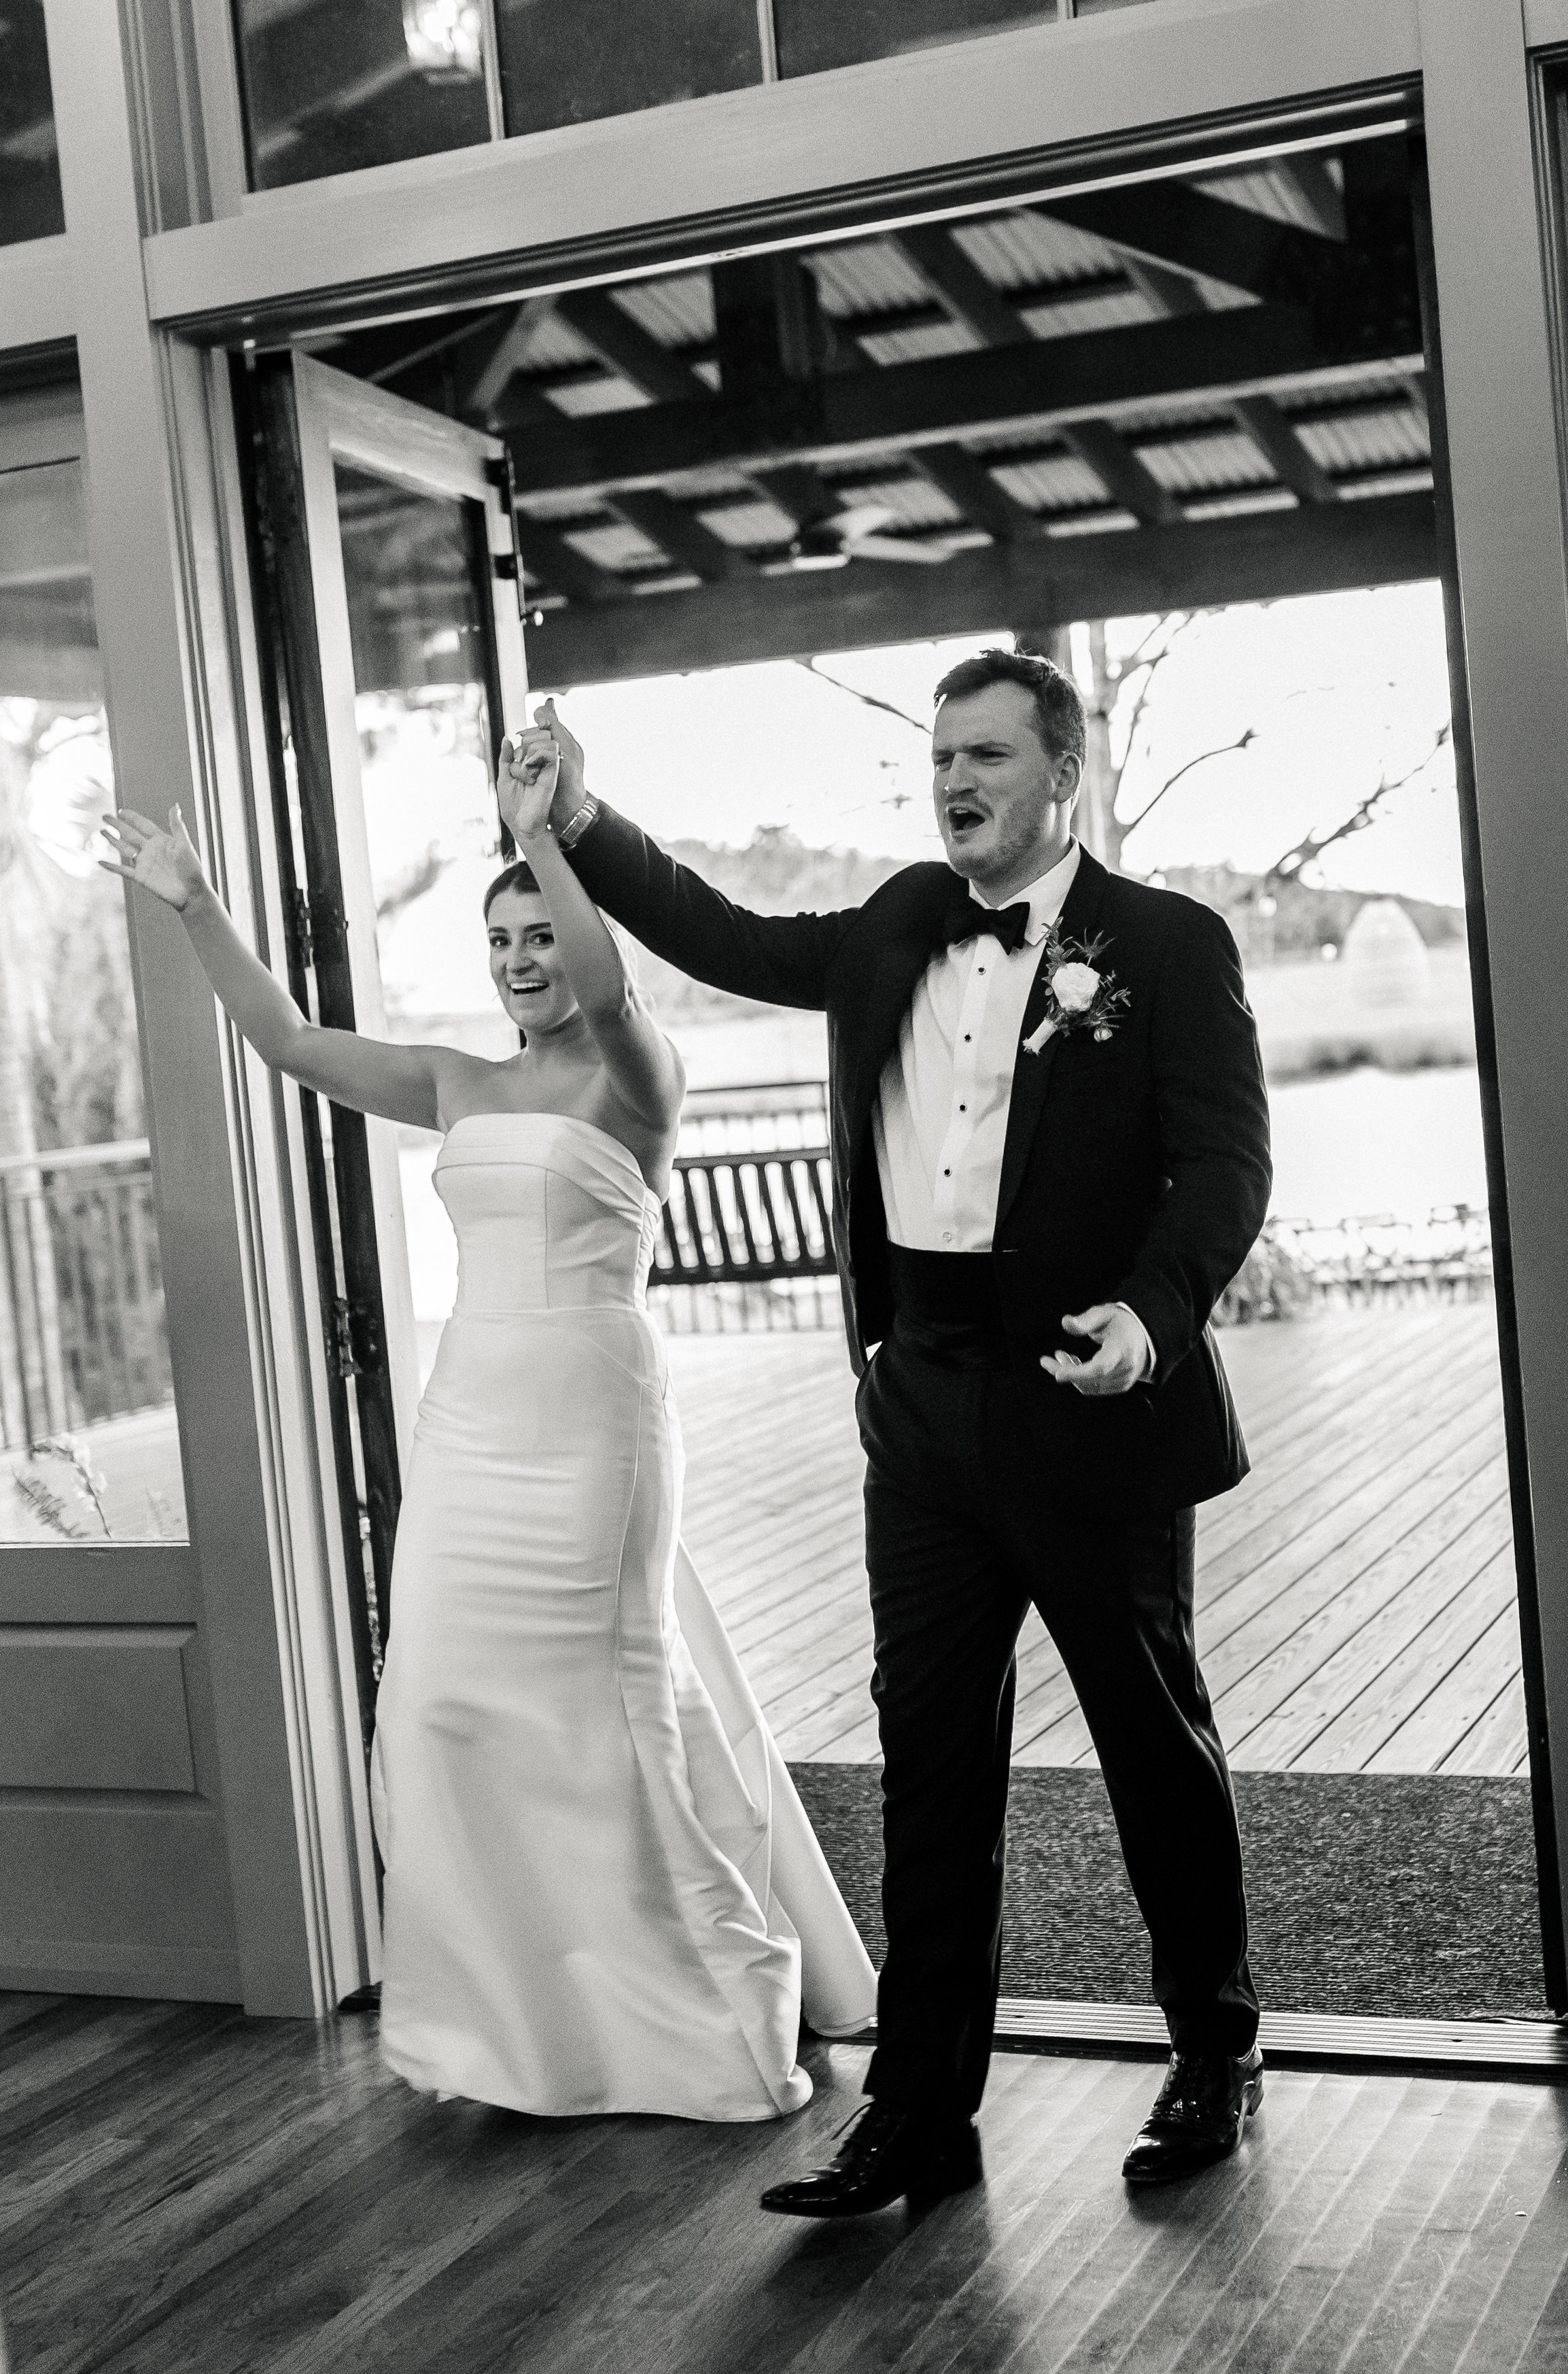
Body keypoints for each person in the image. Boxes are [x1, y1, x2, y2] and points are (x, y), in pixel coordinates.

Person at [515, 648, 1272, 2209]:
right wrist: (578, 817)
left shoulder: (1165, 943)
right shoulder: (890, 931)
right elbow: (716, 931)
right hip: (919, 1409)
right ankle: (919, 2111)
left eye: (988, 755)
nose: (955, 782)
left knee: (1149, 1744)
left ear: (1062, 775)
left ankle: (1215, 2047)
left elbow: (1223, 1165)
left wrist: (1149, 1314)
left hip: (1087, 1400)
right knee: (930, 1768)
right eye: (940, 758)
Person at [101, 736, 875, 2121]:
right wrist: (195, 904)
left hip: (593, 1421)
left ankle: (712, 2017)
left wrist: (546, 837)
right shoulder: (457, 1082)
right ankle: (510, 2027)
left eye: (540, 933)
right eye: (503, 938)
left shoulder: (636, 1076)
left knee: (604, 1719)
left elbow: (613, 977)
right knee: (442, 1708)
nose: (525, 958)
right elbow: (289, 1044)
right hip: (470, 1425)